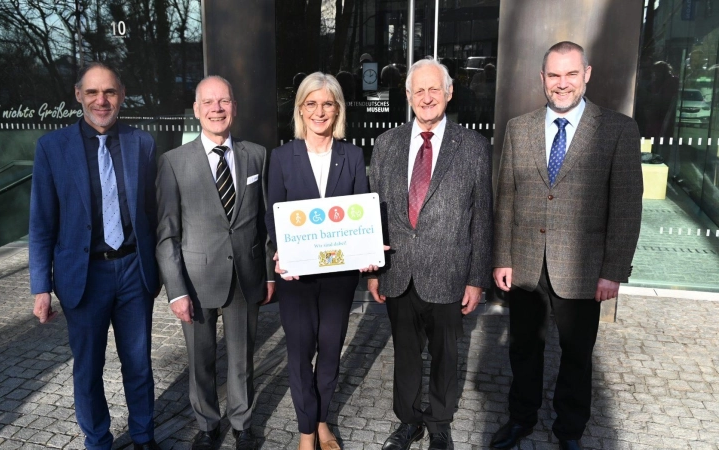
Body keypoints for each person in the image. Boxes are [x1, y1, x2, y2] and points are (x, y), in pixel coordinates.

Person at [490, 41, 643, 450]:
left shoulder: (617, 129)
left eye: (571, 74)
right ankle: (521, 419)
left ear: (586, 74)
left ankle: (569, 430)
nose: (562, 84)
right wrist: (501, 257)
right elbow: (505, 196)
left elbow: (627, 206)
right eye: (554, 75)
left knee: (577, 356)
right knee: (523, 350)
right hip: (524, 263)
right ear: (542, 79)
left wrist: (614, 270)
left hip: (583, 267)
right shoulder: (518, 128)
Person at [29, 62, 160, 450]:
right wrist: (41, 287)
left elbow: (152, 212)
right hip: (83, 277)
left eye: (110, 92)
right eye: (92, 93)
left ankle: (143, 437)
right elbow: (41, 223)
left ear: (121, 95)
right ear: (78, 95)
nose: (101, 101)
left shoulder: (143, 144)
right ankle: (98, 441)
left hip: (134, 271)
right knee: (88, 369)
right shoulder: (52, 148)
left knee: (138, 366)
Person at [367, 58, 493, 450]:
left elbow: (483, 217)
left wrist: (477, 278)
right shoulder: (386, 144)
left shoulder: (472, 146)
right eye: (418, 90)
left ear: (449, 93)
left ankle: (439, 423)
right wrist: (372, 270)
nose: (426, 97)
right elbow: (375, 211)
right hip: (399, 271)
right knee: (405, 354)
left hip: (449, 272)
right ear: (407, 96)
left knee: (444, 355)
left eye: (433, 89)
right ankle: (408, 422)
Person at [155, 75, 275, 450]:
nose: (217, 109)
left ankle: (242, 424)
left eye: (224, 101)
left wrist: (269, 276)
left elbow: (266, 223)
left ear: (234, 107)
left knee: (242, 360)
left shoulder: (257, 155)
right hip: (195, 280)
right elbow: (167, 234)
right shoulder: (173, 162)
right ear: (196, 110)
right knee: (201, 361)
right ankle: (207, 426)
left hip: (245, 275)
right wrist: (175, 291)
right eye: (208, 102)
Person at [264, 72, 377, 450]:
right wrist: (280, 249)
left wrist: (367, 251)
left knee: (330, 350)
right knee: (299, 354)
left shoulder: (353, 155)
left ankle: (324, 420)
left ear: (338, 109)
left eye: (328, 103)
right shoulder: (281, 157)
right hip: (296, 277)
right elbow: (272, 215)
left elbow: (361, 210)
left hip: (339, 276)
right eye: (311, 103)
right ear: (300, 109)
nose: (320, 111)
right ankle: (306, 431)